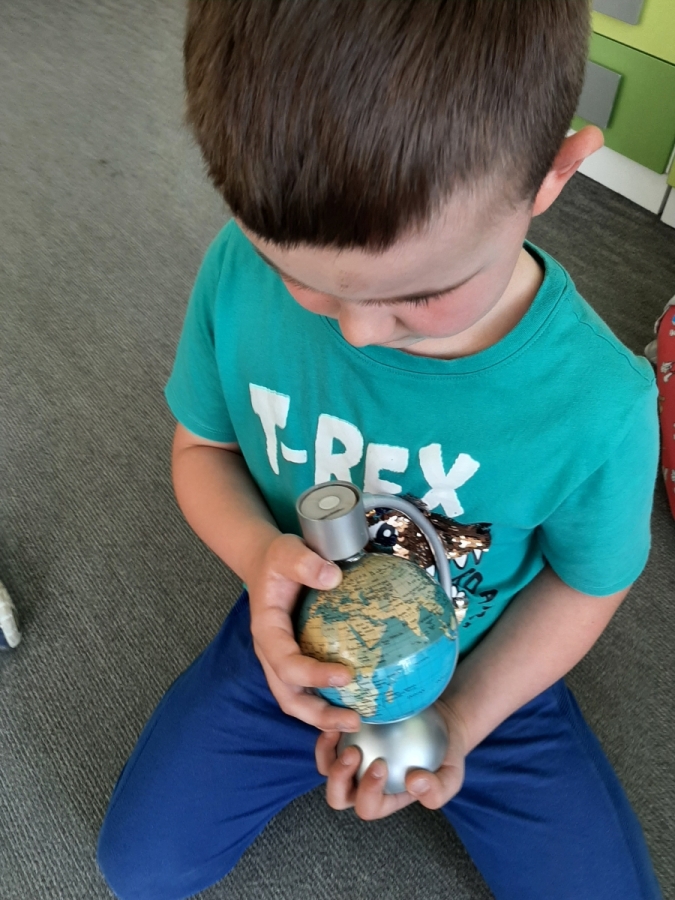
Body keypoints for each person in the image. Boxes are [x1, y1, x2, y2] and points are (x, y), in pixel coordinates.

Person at [97, 2, 663, 898]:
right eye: (304, 280)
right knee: (141, 868)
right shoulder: (234, 273)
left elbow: (585, 583)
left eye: (423, 292)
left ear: (552, 175)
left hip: (484, 664)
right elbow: (202, 448)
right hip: (297, 639)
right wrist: (260, 558)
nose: (358, 333)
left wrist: (465, 717)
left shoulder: (599, 405)